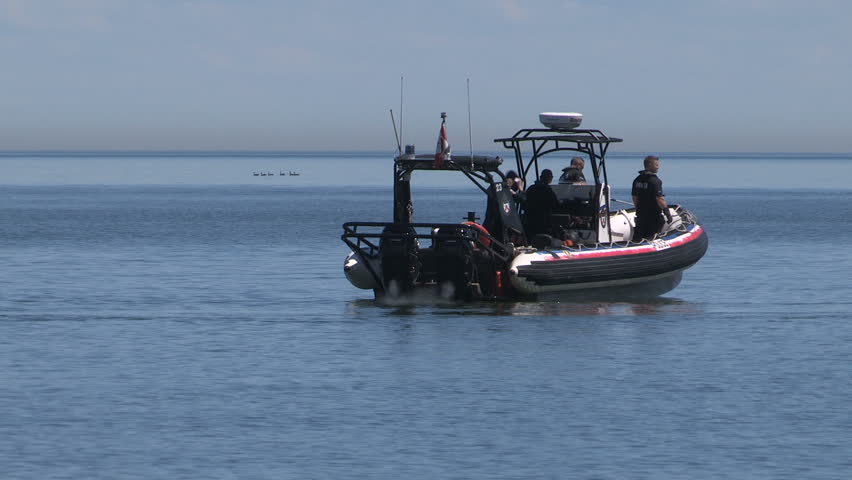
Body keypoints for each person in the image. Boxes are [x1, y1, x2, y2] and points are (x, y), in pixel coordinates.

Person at [631, 155, 672, 241]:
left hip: (641, 215)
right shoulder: (655, 181)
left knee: (638, 237)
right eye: (656, 165)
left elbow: (635, 198)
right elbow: (659, 198)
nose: (658, 167)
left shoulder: (637, 180)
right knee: (652, 237)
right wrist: (667, 213)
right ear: (649, 165)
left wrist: (638, 209)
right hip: (653, 216)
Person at [524, 168, 560, 237]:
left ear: (541, 177)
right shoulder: (548, 190)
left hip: (530, 220)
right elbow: (555, 204)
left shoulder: (531, 188)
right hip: (544, 221)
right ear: (550, 178)